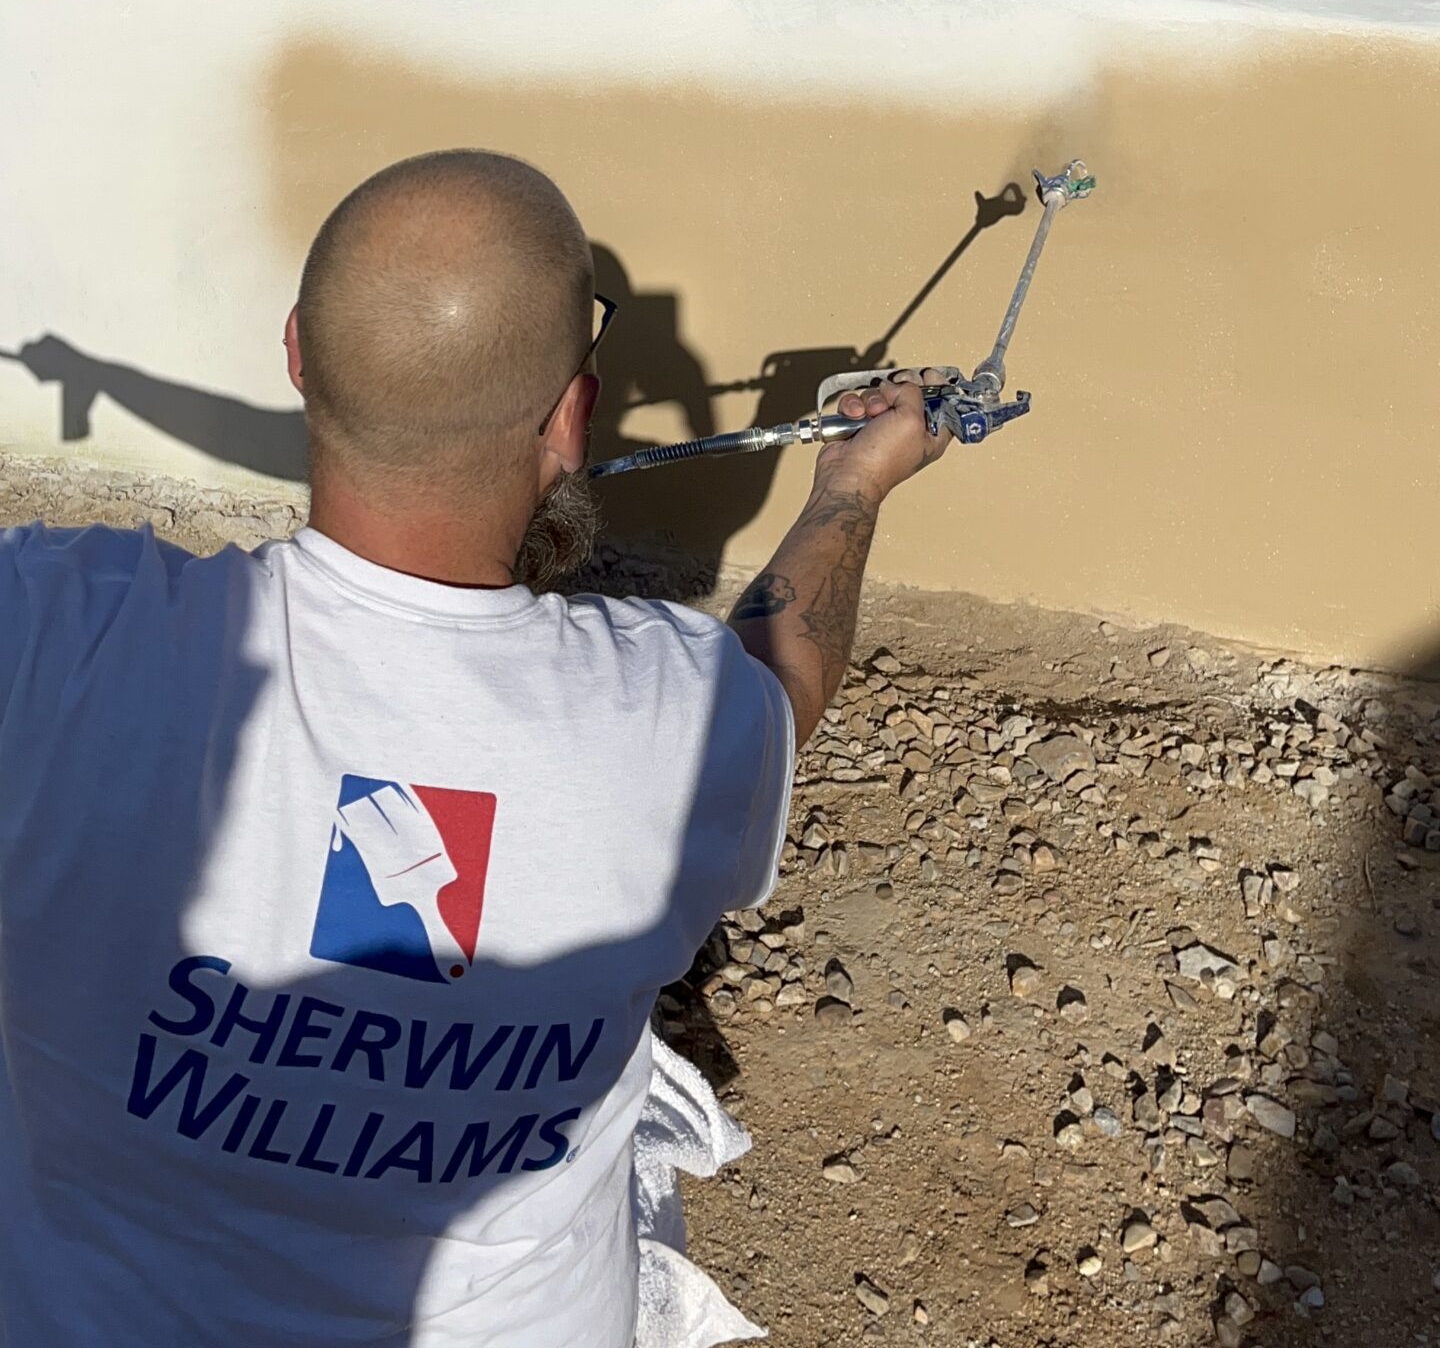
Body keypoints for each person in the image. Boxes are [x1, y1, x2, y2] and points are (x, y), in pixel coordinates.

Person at [0, 149, 951, 1347]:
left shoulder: (49, 632)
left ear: (296, 353)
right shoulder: (670, 709)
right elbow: (785, 683)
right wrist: (851, 490)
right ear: (570, 417)